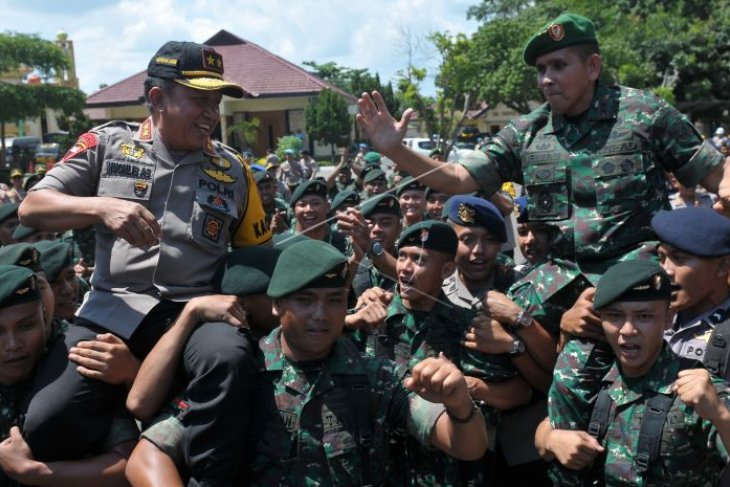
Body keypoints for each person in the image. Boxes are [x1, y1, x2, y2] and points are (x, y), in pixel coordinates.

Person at [18, 40, 271, 485]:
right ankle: (127, 453)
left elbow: (257, 257)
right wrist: (101, 208)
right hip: (110, 312)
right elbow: (32, 207)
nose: (211, 113)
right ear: (157, 98)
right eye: (198, 100)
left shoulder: (234, 170)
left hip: (193, 317)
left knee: (229, 358)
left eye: (215, 102)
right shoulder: (106, 144)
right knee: (46, 420)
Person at [126, 240, 489, 486]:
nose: (321, 314)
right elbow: (147, 454)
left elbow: (467, 447)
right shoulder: (243, 371)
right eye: (305, 300)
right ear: (277, 305)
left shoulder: (376, 376)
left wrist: (458, 405)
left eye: (334, 300)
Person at [354, 220, 530, 486]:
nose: (405, 268)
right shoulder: (374, 314)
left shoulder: (468, 327)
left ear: (447, 269)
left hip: (447, 471)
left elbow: (518, 393)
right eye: (402, 257)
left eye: (419, 260)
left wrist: (466, 388)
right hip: (381, 470)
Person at [537, 259, 730, 486]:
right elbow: (545, 429)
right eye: (615, 316)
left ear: (667, 318)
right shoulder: (595, 371)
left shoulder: (696, 389)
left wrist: (720, 415)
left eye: (644, 316)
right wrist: (551, 439)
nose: (628, 330)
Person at [0, 264, 136, 487]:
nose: (13, 345)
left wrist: (35, 473)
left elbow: (128, 461)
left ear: (44, 318)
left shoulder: (78, 361)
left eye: (26, 326)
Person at [274, 179, 348, 254]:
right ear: (293, 210)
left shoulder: (344, 243)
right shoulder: (281, 244)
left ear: (327, 207)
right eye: (302, 205)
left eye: (315, 203)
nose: (309, 210)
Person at [254, 170, 289, 234]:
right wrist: (270, 232)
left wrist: (284, 228)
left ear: (275, 189)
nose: (264, 192)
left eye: (268, 187)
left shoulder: (286, 207)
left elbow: (298, 234)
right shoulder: (249, 212)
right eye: (259, 188)